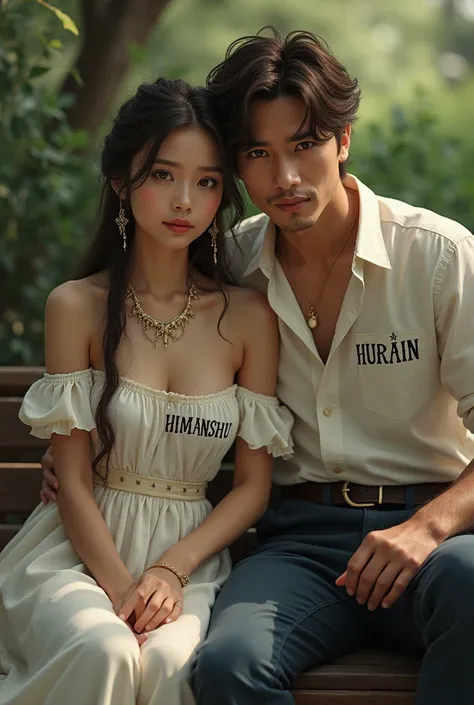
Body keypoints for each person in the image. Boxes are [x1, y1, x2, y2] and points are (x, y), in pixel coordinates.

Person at [40, 29, 474, 705]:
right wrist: (89, 449)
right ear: (238, 168)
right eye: (259, 155)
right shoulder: (235, 266)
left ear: (344, 141)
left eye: (304, 145)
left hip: (433, 535)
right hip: (299, 543)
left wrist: (430, 526)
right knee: (229, 663)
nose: (287, 178)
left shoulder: (438, 257)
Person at [0, 76, 294, 705]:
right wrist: (120, 589)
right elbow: (73, 480)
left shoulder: (247, 318)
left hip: (188, 560)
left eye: (208, 181)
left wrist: (170, 569)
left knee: (167, 664)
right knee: (101, 647)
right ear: (120, 182)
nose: (184, 200)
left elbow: (253, 487)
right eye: (162, 175)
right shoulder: (76, 306)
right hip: (76, 555)